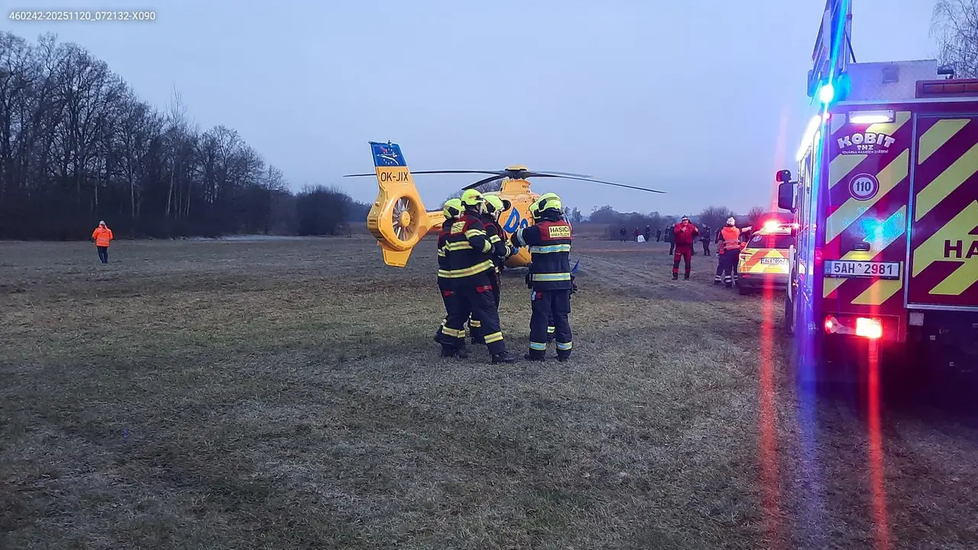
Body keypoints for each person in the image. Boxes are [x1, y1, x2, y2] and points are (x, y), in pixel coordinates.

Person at [440, 189, 518, 363]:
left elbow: (448, 251)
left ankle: (447, 344)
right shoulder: (473, 222)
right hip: (476, 276)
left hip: (457, 278)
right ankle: (498, 353)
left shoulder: (456, 224)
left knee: (459, 313)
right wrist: (490, 248)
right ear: (477, 205)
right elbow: (477, 242)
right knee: (488, 312)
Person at [511, 193, 573, 361]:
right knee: (561, 316)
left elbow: (515, 239)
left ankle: (537, 353)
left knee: (540, 316)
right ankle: (564, 352)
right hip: (564, 283)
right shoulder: (567, 228)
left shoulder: (539, 230)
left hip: (543, 284)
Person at [469, 194, 516, 344]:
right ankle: (487, 336)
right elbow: (500, 249)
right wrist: (509, 251)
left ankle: (476, 332)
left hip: (478, 270)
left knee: (477, 305)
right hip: (490, 270)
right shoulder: (490, 226)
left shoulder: (479, 223)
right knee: (490, 304)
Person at [434, 198, 470, 350]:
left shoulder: (446, 231)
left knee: (458, 311)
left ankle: (458, 343)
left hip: (449, 278)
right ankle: (446, 342)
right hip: (450, 278)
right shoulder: (450, 233)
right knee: (457, 313)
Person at [715, 217, 742, 288]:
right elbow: (744, 230)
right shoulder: (737, 230)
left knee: (728, 268)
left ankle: (728, 283)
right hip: (736, 252)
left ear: (726, 223)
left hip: (727, 252)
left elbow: (720, 243)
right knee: (736, 267)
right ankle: (737, 282)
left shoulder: (722, 231)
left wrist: (717, 252)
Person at [671, 215, 699, 280]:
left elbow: (696, 234)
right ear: (682, 221)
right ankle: (675, 275)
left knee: (688, 262)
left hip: (687, 247)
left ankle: (687, 276)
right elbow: (675, 232)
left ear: (688, 220)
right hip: (679, 246)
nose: (685, 222)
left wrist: (697, 231)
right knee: (676, 261)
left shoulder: (691, 226)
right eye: (684, 220)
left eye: (686, 220)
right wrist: (681, 231)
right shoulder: (678, 226)